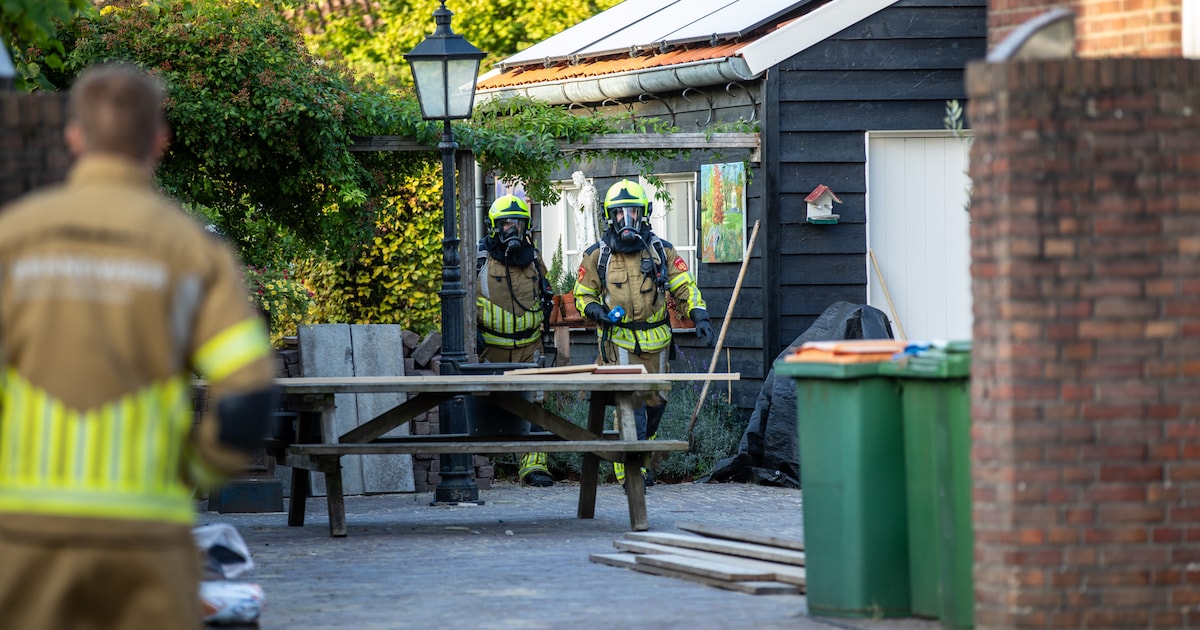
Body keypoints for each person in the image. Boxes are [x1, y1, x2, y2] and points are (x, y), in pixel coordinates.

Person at [0, 63, 277, 629]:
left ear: (73, 137)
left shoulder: (13, 239)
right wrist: (195, 469)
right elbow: (249, 396)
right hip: (147, 538)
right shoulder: (192, 252)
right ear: (158, 140)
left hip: (22, 538)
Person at [573, 179, 715, 486]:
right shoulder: (598, 255)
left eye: (633, 212)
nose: (627, 219)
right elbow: (582, 295)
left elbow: (684, 286)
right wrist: (596, 311)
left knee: (656, 405)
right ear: (610, 216)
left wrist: (699, 314)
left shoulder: (662, 251)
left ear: (643, 213)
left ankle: (641, 456)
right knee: (630, 405)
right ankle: (630, 469)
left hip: (658, 344)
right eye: (619, 213)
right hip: (619, 343)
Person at [475, 194, 555, 487]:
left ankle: (534, 467)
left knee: (534, 403)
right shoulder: (478, 259)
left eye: (517, 223)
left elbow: (546, 293)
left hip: (529, 348)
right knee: (488, 406)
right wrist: (471, 333)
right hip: (491, 350)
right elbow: (458, 301)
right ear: (494, 227)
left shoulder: (533, 260)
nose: (512, 229)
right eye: (506, 223)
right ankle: (486, 465)